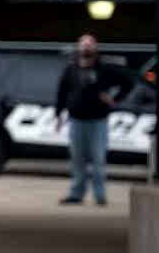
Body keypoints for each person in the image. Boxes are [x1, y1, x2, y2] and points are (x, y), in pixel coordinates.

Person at [55, 34, 133, 207]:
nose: (86, 47)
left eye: (90, 44)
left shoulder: (105, 69)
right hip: (76, 120)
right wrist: (58, 114)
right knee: (78, 159)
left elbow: (128, 82)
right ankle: (76, 193)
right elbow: (61, 92)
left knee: (98, 159)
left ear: (96, 48)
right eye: (83, 44)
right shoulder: (71, 70)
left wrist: (114, 98)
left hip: (98, 121)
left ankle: (100, 195)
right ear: (78, 48)